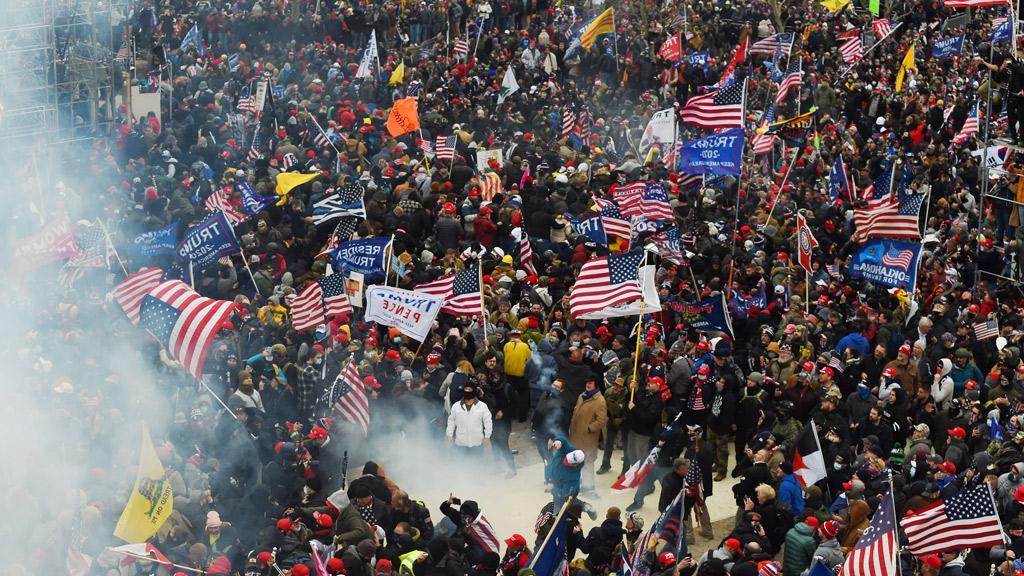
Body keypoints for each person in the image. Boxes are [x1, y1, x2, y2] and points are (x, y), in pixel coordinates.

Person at [568, 376, 608, 496]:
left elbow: (602, 420)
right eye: (587, 382)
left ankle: (588, 487)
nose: (588, 385)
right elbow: (576, 411)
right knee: (576, 460)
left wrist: (589, 429)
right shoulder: (582, 396)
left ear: (596, 384)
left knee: (588, 462)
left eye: (591, 383)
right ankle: (579, 482)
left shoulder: (600, 400)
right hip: (576, 435)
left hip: (588, 438)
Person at [446, 384, 493, 456]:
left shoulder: (482, 406)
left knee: (477, 465)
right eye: (466, 389)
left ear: (474, 391)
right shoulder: (456, 406)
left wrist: (487, 436)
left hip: (477, 443)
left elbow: (488, 422)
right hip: (460, 444)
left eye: (469, 389)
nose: (467, 391)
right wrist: (449, 435)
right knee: (461, 465)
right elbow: (451, 422)